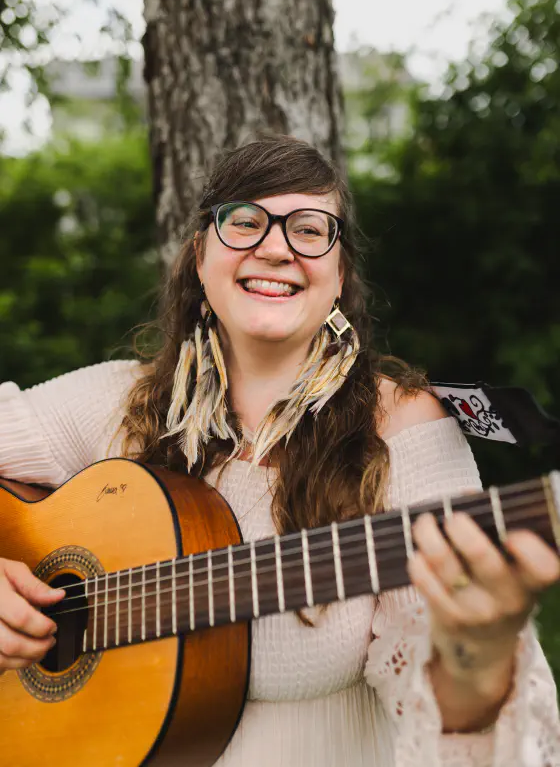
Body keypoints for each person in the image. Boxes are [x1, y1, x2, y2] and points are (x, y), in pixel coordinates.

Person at [0, 135, 559, 767]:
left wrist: (478, 657)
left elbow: (463, 733)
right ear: (199, 254)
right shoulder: (116, 404)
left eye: (309, 229)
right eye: (245, 222)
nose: (275, 247)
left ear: (339, 271)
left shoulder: (403, 434)